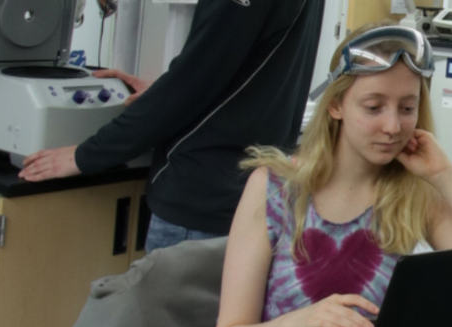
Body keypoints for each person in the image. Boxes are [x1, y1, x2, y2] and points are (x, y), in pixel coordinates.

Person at [186, 21, 452, 327]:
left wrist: (446, 176)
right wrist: (301, 321)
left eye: (407, 107)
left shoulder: (416, 193)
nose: (393, 126)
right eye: (374, 107)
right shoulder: (274, 187)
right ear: (335, 105)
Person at [18, 0, 325, 251]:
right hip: (252, 193)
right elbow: (234, 68)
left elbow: (194, 79)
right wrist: (163, 90)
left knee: (174, 312)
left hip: (201, 200)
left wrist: (84, 156)